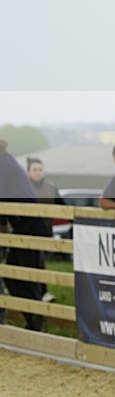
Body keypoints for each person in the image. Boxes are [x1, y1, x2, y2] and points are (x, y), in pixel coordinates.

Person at [0, 139, 48, 330]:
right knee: (13, 274)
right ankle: (33, 319)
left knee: (27, 274)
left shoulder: (3, 162)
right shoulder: (6, 160)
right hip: (24, 223)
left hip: (30, 223)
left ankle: (37, 320)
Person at [26, 157, 65, 300]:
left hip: (45, 230)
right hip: (27, 231)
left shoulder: (50, 187)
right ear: (28, 172)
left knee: (39, 262)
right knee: (31, 263)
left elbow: (62, 205)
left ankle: (41, 293)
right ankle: (37, 294)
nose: (37, 173)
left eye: (40, 169)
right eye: (34, 170)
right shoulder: (24, 187)